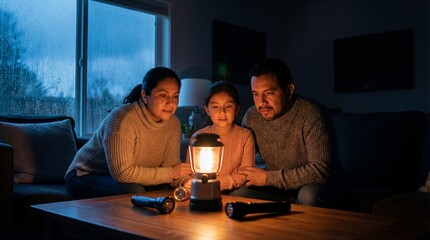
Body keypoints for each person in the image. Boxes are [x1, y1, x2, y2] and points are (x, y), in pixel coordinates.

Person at [65, 67, 192, 199]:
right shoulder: (122, 119)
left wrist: (184, 181)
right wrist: (171, 173)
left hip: (124, 178)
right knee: (134, 190)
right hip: (84, 176)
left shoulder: (173, 123)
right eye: (163, 95)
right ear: (145, 96)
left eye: (175, 96)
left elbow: (170, 168)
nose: (171, 103)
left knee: (167, 190)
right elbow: (122, 173)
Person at [234, 58, 344, 208]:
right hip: (277, 188)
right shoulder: (252, 117)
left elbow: (320, 170)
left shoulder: (311, 114)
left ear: (289, 90)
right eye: (256, 94)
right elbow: (241, 159)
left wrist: (267, 178)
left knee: (309, 195)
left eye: (269, 93)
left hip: (315, 186)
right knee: (238, 193)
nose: (261, 102)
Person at [185, 81, 255, 192]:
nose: (222, 112)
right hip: (202, 189)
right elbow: (188, 172)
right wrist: (188, 182)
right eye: (215, 107)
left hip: (233, 191)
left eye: (228, 106)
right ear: (207, 110)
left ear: (237, 109)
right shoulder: (197, 138)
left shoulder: (245, 136)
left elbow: (246, 172)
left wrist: (222, 183)